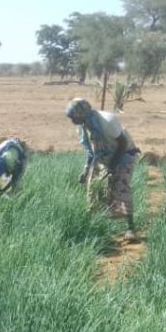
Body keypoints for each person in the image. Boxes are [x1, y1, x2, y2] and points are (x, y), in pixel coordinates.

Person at [65, 97, 140, 240]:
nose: (72, 120)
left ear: (82, 113)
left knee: (120, 185)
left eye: (74, 117)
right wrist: (86, 170)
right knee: (93, 188)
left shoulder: (107, 121)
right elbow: (91, 151)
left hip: (124, 155)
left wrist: (112, 167)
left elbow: (123, 143)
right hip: (102, 157)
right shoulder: (83, 127)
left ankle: (131, 229)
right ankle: (96, 226)